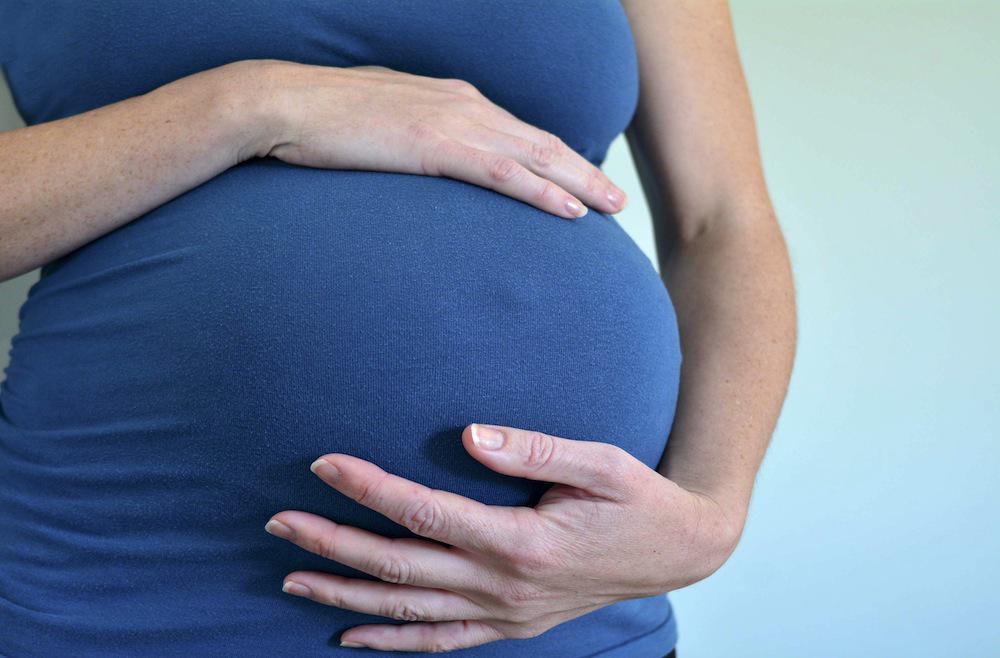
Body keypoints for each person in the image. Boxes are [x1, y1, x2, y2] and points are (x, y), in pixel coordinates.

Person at [0, 1, 795, 656]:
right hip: (116, 574)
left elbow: (722, 224)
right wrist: (252, 104)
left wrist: (709, 516)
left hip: (556, 600)